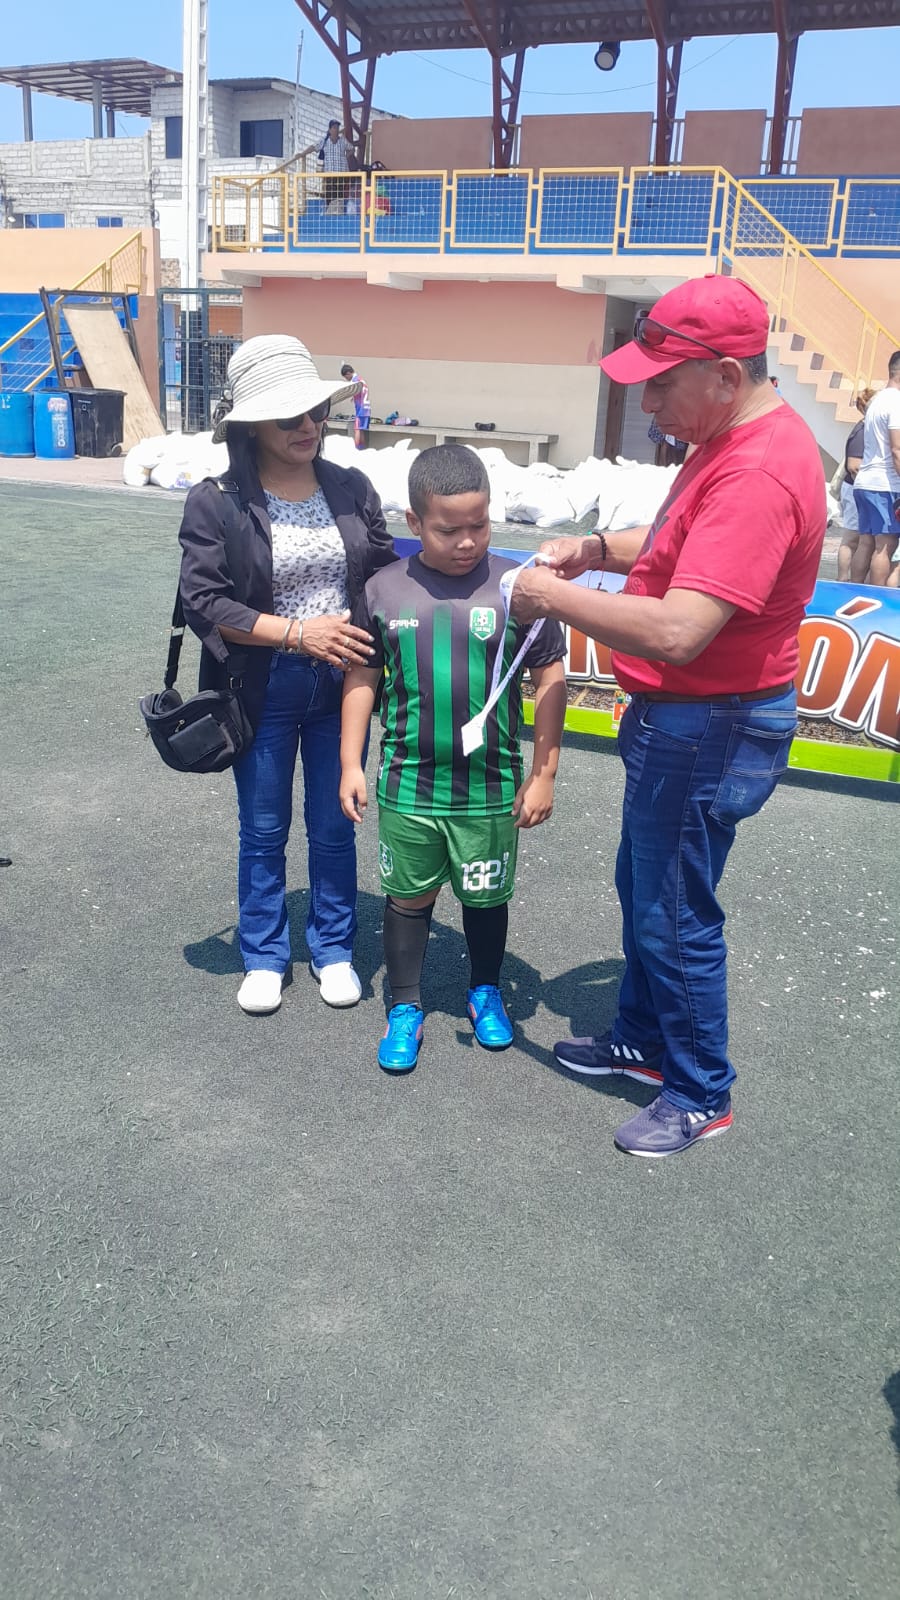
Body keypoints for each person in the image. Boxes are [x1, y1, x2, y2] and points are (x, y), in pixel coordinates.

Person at [509, 275, 826, 1159]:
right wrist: (594, 549)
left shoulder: (757, 468)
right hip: (691, 718)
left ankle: (699, 1090)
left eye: (661, 383)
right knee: (647, 889)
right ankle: (646, 1041)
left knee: (673, 909)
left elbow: (682, 629)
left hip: (710, 721)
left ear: (724, 375)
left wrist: (549, 595)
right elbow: (677, 544)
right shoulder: (730, 439)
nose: (647, 403)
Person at [178, 335, 396, 1015]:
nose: (308, 426)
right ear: (251, 425)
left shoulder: (351, 487)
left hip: (345, 684)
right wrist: (299, 633)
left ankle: (333, 948)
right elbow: (205, 601)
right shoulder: (216, 500)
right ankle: (265, 954)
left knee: (335, 823)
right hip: (261, 684)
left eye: (316, 412)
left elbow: (384, 573)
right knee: (264, 827)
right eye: (288, 417)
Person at [339, 444, 567, 1073]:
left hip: (490, 789)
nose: (467, 541)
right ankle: (404, 1005)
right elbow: (361, 676)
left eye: (480, 525)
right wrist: (351, 763)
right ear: (414, 522)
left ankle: (485, 991)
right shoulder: (382, 589)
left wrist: (545, 773)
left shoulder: (520, 589)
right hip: (409, 785)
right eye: (448, 529)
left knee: (484, 899)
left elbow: (550, 678)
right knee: (408, 898)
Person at [852, 351, 900, 586]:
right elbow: (897, 449)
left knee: (865, 542)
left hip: (865, 481)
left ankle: (854, 589)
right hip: (886, 484)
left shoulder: (876, 401)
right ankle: (877, 595)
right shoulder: (896, 403)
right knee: (885, 545)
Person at [835, 388, 876, 583]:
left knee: (862, 539)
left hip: (860, 489)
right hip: (855, 489)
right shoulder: (862, 430)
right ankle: (843, 579)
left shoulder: (868, 429)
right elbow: (853, 465)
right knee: (852, 538)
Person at [317, 120, 355, 213]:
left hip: (342, 173)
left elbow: (352, 148)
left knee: (340, 194)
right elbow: (314, 147)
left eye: (337, 128)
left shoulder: (342, 140)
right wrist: (301, 154)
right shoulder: (324, 141)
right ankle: (330, 214)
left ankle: (338, 213)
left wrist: (346, 156)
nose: (336, 130)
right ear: (330, 130)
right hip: (329, 173)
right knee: (330, 194)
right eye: (334, 128)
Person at [341, 362, 370, 449]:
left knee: (357, 429)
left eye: (346, 377)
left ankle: (356, 449)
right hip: (367, 408)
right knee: (361, 430)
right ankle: (361, 448)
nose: (347, 379)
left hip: (361, 408)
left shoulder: (355, 381)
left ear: (348, 373)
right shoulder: (361, 380)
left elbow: (351, 391)